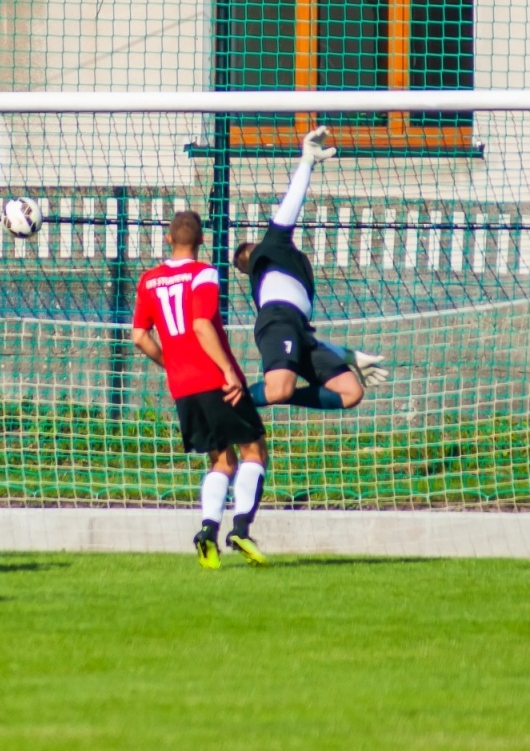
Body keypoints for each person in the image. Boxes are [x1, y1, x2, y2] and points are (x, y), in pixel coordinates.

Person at [133, 210, 268, 568]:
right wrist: (228, 370)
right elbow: (201, 325)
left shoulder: (148, 280)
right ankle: (241, 528)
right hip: (215, 379)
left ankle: (208, 532)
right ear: (202, 240)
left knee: (221, 461)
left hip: (183, 387)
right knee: (253, 450)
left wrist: (171, 364)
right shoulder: (204, 273)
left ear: (168, 239)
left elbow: (139, 336)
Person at [233, 127, 388, 411]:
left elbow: (300, 336)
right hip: (279, 322)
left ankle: (266, 397)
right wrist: (307, 161)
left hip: (298, 330)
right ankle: (226, 404)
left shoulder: (285, 267)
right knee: (279, 389)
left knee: (351, 392)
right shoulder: (269, 249)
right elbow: (291, 205)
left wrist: (351, 356)